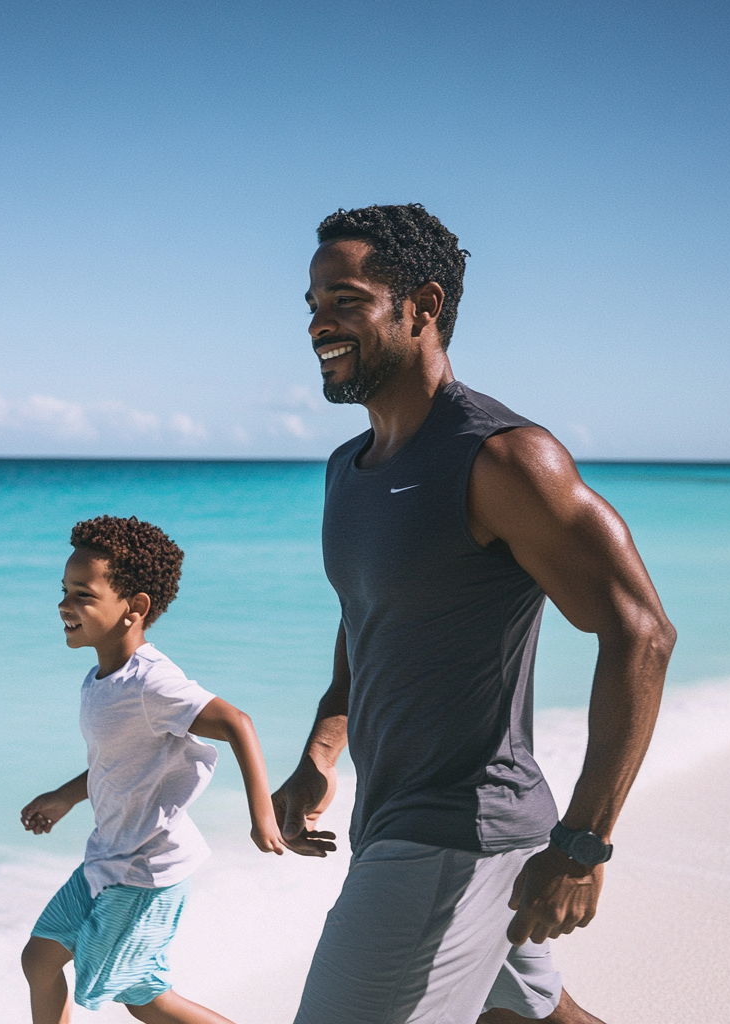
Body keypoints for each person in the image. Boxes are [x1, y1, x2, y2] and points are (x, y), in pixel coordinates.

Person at [272, 204, 677, 1024]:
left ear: (421, 306)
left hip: (455, 834)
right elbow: (367, 617)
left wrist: (584, 843)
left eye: (345, 300)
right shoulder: (347, 469)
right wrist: (323, 746)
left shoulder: (500, 458)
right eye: (312, 303)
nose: (319, 323)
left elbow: (641, 632)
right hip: (393, 816)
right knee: (532, 1018)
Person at [20, 515, 284, 1024]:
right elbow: (116, 762)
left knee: (143, 997)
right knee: (40, 958)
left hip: (145, 870)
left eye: (83, 594)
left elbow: (237, 722)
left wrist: (263, 816)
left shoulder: (153, 684)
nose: (64, 605)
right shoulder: (101, 678)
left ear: (133, 608)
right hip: (109, 855)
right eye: (64, 590)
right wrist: (65, 795)